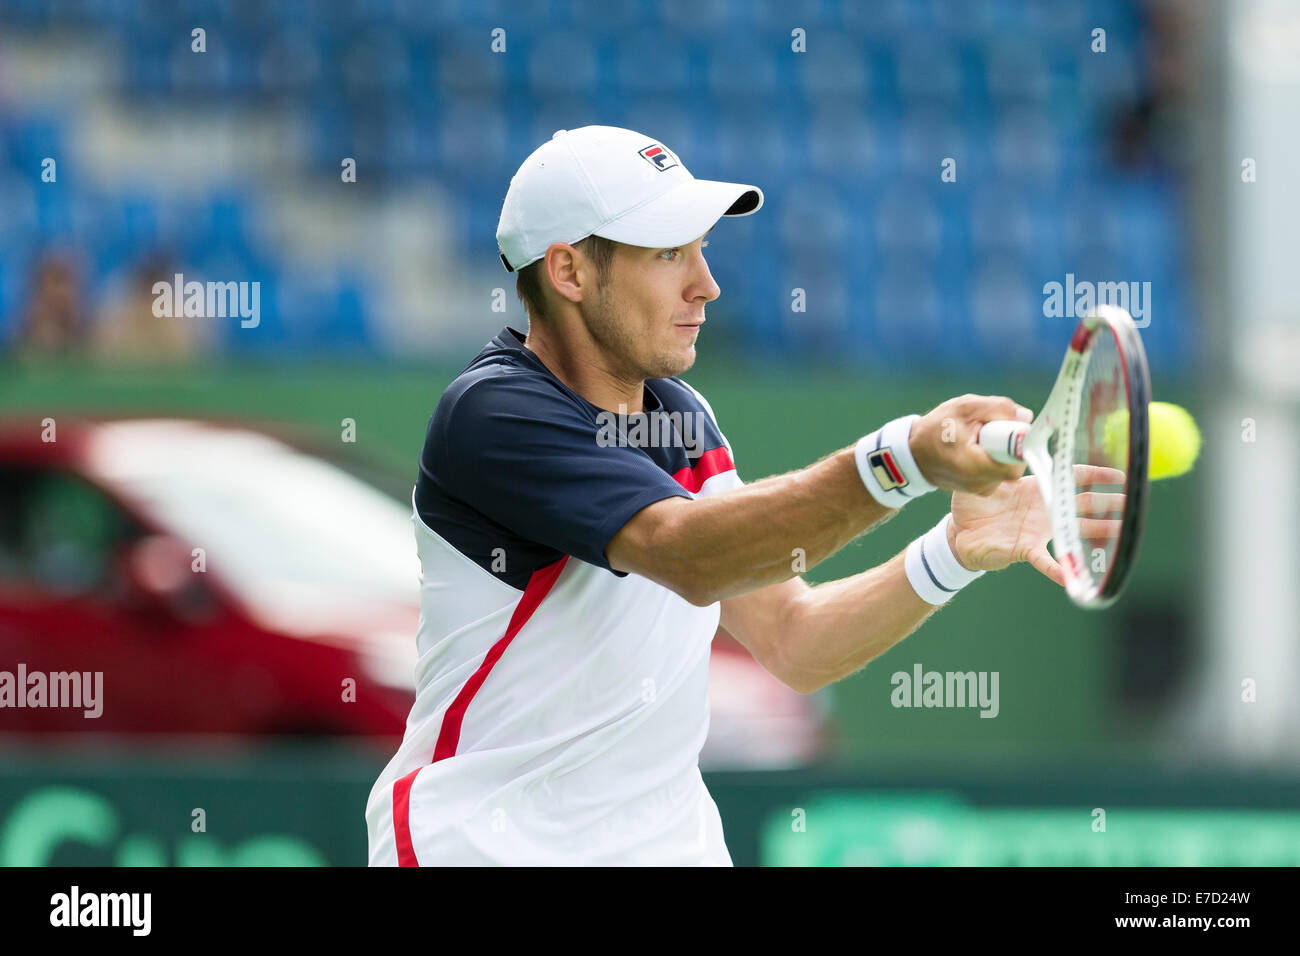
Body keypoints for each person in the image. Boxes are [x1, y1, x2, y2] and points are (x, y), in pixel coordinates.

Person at [366, 126, 1065, 866]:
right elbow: (688, 555)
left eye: (701, 249)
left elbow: (795, 638)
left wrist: (951, 554)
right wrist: (903, 459)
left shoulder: (682, 418)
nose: (706, 283)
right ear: (568, 270)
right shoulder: (492, 414)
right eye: (668, 252)